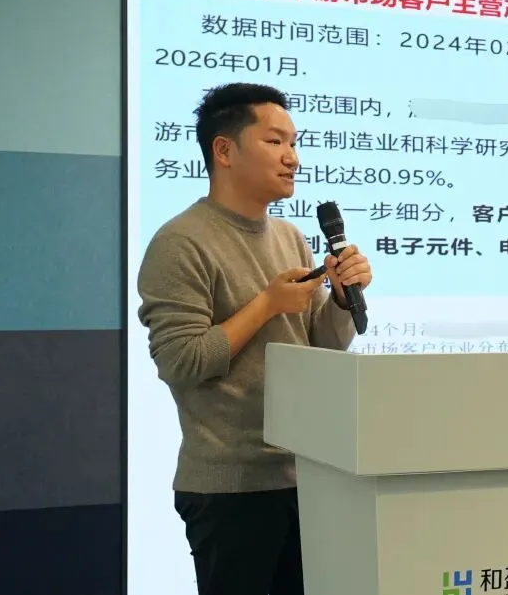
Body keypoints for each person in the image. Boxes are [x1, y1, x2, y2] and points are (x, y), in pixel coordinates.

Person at [136, 82, 373, 595]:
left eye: (294, 143)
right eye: (275, 141)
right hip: (230, 489)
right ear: (224, 150)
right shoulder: (180, 242)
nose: (292, 158)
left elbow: (318, 349)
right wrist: (266, 304)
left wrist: (339, 299)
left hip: (305, 473)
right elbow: (181, 361)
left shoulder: (290, 236)